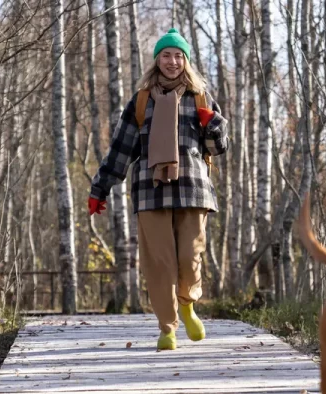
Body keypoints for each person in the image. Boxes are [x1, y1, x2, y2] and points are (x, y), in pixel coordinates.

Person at [87, 28, 230, 351]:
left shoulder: (201, 96)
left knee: (190, 256)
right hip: (150, 190)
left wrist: (214, 126)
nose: (173, 61)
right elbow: (122, 150)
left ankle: (188, 305)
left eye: (179, 56)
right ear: (157, 60)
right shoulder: (140, 101)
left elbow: (218, 148)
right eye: (166, 55)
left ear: (186, 62)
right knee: (159, 262)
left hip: (193, 189)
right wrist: (100, 189)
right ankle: (167, 328)